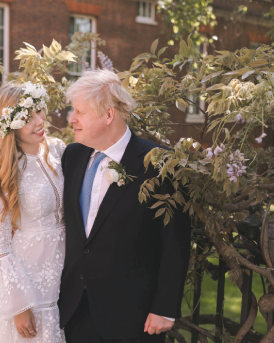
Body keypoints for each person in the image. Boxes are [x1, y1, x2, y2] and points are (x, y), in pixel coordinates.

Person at [59, 70, 191, 343]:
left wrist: (165, 308)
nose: (71, 119)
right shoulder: (72, 156)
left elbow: (175, 242)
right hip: (76, 310)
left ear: (108, 115)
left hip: (134, 316)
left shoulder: (160, 164)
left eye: (79, 112)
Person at [0, 83, 66, 342]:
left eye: (40, 111)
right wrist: (20, 306)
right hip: (26, 279)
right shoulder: (4, 169)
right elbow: (0, 244)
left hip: (62, 273)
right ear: (10, 126)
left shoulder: (58, 150)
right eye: (28, 118)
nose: (40, 121)